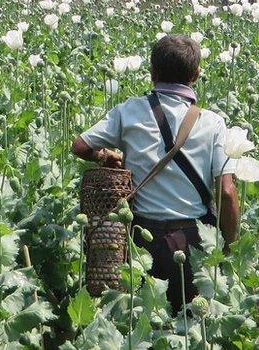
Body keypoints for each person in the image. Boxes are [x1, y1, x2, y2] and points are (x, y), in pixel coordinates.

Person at [71, 34, 240, 313]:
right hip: (194, 243)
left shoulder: (128, 111)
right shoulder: (213, 123)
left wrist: (104, 155)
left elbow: (80, 145)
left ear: (152, 72)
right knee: (192, 321)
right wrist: (230, 244)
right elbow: (227, 191)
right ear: (196, 75)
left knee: (143, 320)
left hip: (140, 241)